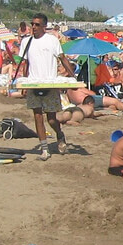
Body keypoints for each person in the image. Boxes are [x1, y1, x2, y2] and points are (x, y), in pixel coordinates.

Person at [16, 12, 76, 161]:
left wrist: (73, 78)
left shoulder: (52, 41)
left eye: (37, 24)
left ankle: (59, 134)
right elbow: (26, 63)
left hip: (50, 83)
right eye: (32, 24)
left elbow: (62, 59)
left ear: (44, 26)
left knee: (51, 119)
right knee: (37, 116)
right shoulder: (26, 42)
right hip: (34, 83)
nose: (34, 27)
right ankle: (44, 149)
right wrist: (24, 82)